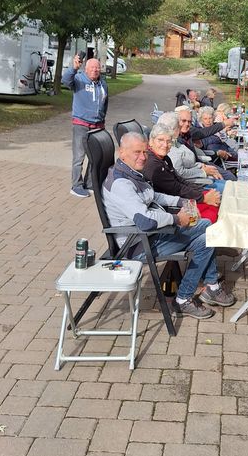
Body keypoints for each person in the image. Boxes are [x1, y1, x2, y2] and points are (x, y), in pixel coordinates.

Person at [103, 132, 235, 319]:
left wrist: (182, 202)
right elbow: (145, 220)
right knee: (207, 226)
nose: (142, 157)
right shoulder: (121, 183)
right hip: (138, 244)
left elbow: (154, 196)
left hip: (152, 235)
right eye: (136, 152)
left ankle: (184, 299)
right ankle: (209, 288)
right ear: (121, 152)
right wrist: (176, 219)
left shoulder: (131, 172)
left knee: (207, 237)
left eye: (144, 152)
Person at [144, 124, 221, 223]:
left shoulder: (164, 158)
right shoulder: (153, 165)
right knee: (211, 212)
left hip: (180, 198)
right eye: (160, 140)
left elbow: (179, 180)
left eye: (168, 141)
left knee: (216, 201)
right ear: (151, 142)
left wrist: (201, 192)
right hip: (169, 207)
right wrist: (203, 198)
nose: (165, 145)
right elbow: (176, 189)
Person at [62, 54, 108, 198]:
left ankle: (89, 184)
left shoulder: (103, 84)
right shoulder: (79, 80)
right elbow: (65, 80)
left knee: (95, 157)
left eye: (97, 68)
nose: (95, 70)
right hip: (81, 124)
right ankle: (76, 185)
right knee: (79, 157)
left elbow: (105, 104)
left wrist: (102, 120)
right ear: (86, 69)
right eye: (92, 68)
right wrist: (74, 68)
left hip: (97, 125)